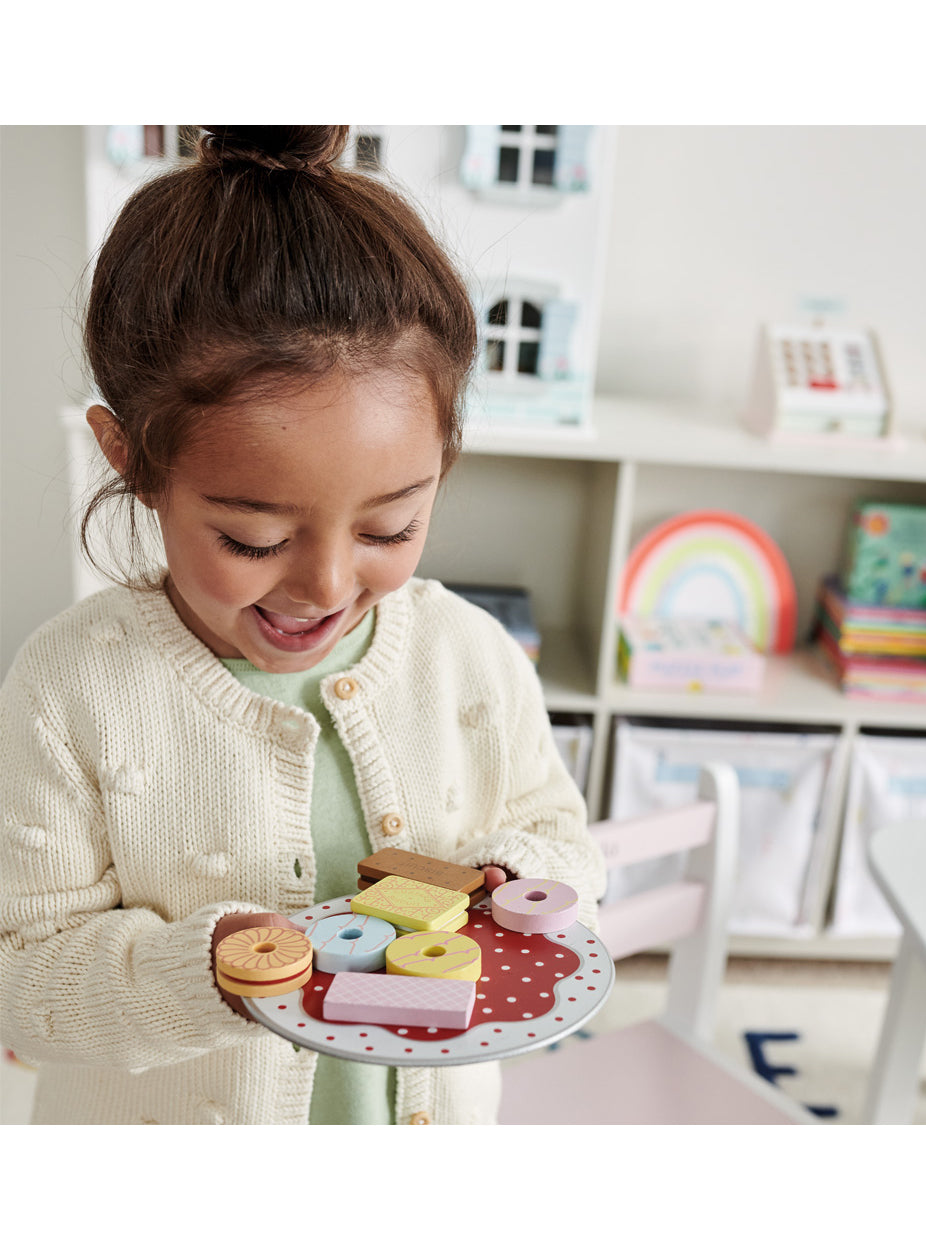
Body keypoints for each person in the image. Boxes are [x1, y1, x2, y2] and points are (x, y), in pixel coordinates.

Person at [0, 125, 605, 1125]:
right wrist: (211, 968)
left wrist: (516, 878)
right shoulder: (72, 689)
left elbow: (564, 841)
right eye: (249, 536)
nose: (324, 583)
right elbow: (22, 979)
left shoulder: (469, 660)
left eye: (390, 524)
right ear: (129, 457)